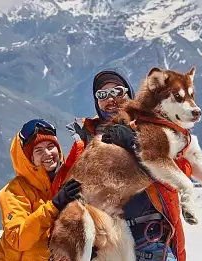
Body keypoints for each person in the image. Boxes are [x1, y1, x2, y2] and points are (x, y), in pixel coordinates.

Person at [64, 69, 188, 261]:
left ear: (129, 94)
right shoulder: (84, 141)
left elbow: (183, 171)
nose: (111, 98)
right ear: (96, 102)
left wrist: (135, 143)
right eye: (102, 94)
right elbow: (67, 191)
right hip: (107, 244)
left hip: (150, 240)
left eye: (118, 91)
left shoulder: (155, 127)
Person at [0, 119, 82, 261]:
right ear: (29, 159)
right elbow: (17, 238)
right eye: (38, 150)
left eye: (51, 146)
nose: (47, 153)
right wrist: (53, 206)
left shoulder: (67, 183)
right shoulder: (14, 191)